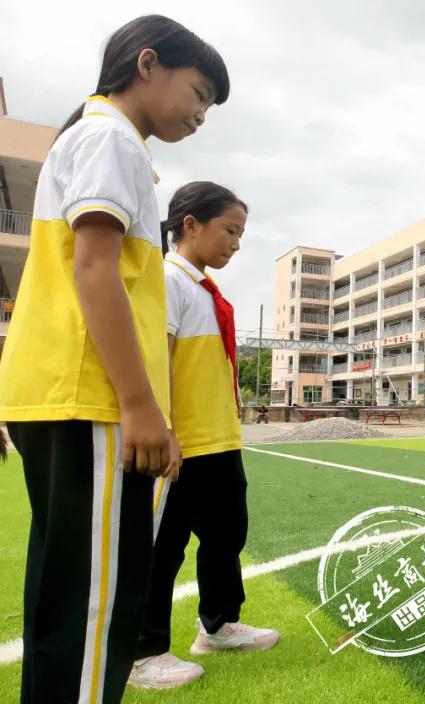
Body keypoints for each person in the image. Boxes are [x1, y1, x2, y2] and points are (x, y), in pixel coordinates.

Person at [0, 15, 229, 704]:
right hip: (89, 397)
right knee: (97, 607)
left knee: (64, 596)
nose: (200, 114)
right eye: (198, 93)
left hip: (64, 394)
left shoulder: (96, 139)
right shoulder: (111, 139)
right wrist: (139, 405)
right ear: (148, 64)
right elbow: (96, 272)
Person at [127, 183, 279, 688]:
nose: (236, 244)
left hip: (219, 441)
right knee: (162, 547)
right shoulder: (167, 281)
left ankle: (216, 625)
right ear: (190, 224)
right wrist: (164, 431)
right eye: (230, 230)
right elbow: (157, 358)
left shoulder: (203, 289)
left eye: (240, 234)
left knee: (227, 534)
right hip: (179, 444)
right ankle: (142, 652)